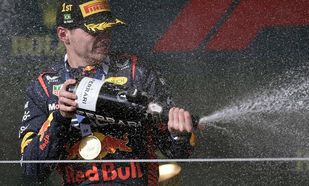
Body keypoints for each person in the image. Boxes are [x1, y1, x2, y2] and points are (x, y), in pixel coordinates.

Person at [19, 0, 196, 185]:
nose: (104, 37)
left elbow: (178, 152)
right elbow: (32, 172)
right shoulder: (43, 87)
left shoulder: (138, 72)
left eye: (108, 28)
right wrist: (59, 118)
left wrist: (178, 134)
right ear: (64, 34)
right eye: (95, 30)